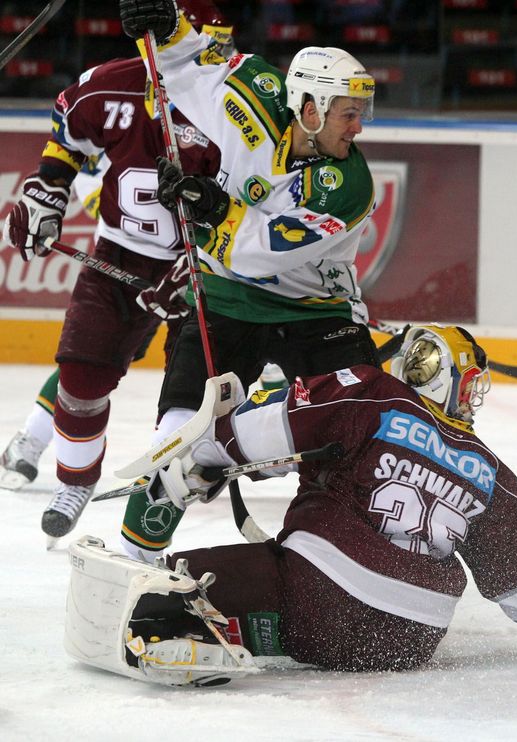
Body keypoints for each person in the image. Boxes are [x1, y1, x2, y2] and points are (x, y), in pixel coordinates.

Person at [63, 325, 517, 686]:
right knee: (292, 598)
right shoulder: (489, 470)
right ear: (455, 383)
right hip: (409, 640)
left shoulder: (370, 391)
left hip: (314, 595)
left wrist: (198, 462)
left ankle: (200, 619)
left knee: (151, 600)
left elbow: (257, 431)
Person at [116, 0, 382, 558]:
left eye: (361, 113)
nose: (358, 127)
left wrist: (209, 208)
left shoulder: (349, 183)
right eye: (348, 113)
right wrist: (166, 29)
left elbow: (259, 254)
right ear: (308, 106)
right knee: (178, 436)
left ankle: (351, 560)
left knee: (362, 444)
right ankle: (134, 559)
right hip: (228, 300)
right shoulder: (255, 95)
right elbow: (194, 69)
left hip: (318, 314)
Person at [0, 1, 231, 538]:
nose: (217, 55)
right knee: (82, 373)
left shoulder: (235, 100)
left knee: (194, 399)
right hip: (118, 258)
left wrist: (211, 256)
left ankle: (154, 507)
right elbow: (68, 141)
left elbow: (257, 192)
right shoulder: (110, 86)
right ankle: (73, 478)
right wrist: (45, 191)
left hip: (207, 268)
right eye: (209, 41)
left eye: (222, 42)